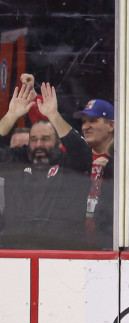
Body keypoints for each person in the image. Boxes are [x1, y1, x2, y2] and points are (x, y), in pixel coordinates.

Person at [0, 81, 91, 250]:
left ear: (58, 143)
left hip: (64, 257)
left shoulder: (70, 164)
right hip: (17, 257)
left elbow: (82, 152)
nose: (38, 145)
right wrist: (11, 116)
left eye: (45, 139)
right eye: (33, 140)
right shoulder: (20, 161)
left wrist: (53, 115)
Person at [75, 98, 115, 248]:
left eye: (93, 120)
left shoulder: (124, 160)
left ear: (111, 125)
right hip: (78, 245)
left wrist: (112, 167)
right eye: (84, 122)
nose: (86, 127)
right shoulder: (77, 159)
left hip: (109, 245)